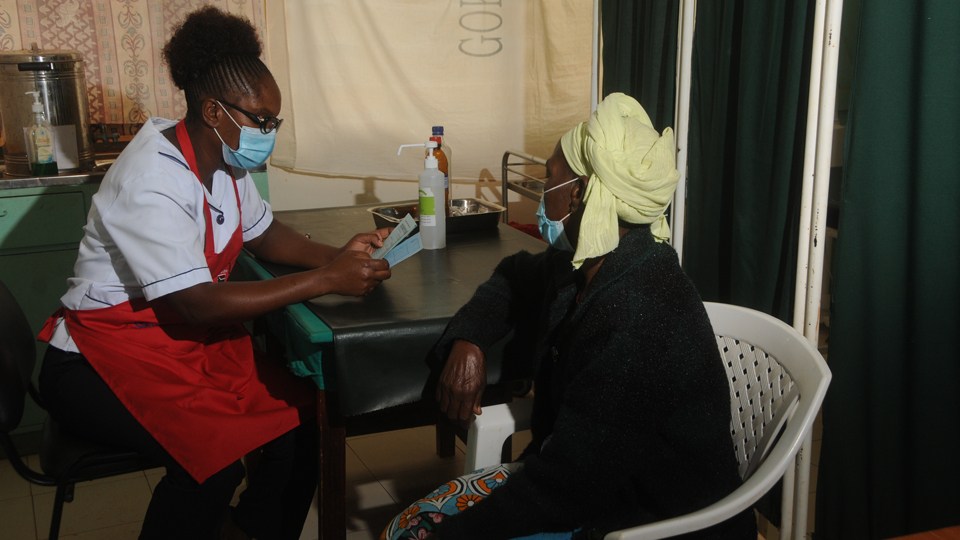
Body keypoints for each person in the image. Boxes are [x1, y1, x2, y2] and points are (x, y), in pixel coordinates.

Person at [36, 7, 392, 540]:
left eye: (276, 121)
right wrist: (327, 280)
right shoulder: (151, 178)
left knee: (302, 424)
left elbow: (264, 234)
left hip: (174, 344)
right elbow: (194, 303)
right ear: (213, 111)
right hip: (95, 360)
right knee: (214, 463)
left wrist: (336, 255)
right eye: (260, 121)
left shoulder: (223, 162)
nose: (268, 133)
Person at [382, 93, 757, 539]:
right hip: (587, 491)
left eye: (548, 181)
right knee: (410, 525)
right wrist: (470, 340)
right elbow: (513, 276)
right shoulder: (591, 263)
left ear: (578, 193)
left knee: (413, 533)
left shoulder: (642, 314)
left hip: (648, 520)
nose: (542, 194)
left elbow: (569, 486)